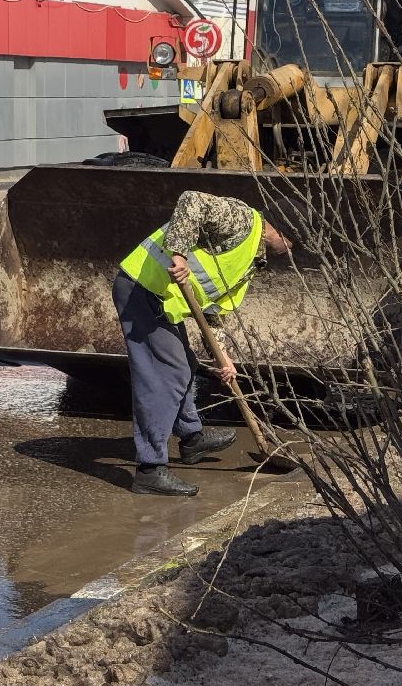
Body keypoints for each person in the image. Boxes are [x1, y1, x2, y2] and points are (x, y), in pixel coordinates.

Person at [112, 191, 291, 496]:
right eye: (289, 243)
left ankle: (191, 439)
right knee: (167, 375)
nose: (288, 250)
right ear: (279, 230)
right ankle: (150, 470)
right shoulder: (242, 221)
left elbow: (211, 309)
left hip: (163, 299)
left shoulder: (252, 258)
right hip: (142, 290)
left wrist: (223, 357)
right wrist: (178, 255)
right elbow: (190, 200)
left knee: (187, 364)